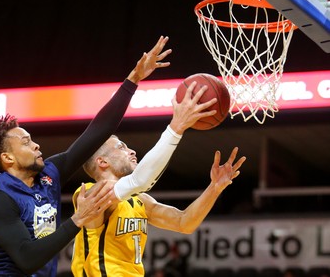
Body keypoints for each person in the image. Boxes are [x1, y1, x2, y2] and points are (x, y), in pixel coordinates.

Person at [0, 36, 172, 277]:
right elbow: (26, 257)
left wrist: (133, 79)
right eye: (25, 142)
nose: (36, 145)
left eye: (32, 139)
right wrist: (77, 219)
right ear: (8, 158)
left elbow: (98, 132)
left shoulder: (48, 175)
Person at [70, 81, 247, 276]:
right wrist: (176, 127)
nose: (131, 151)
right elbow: (140, 181)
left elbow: (184, 223)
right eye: (121, 147)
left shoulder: (140, 201)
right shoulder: (88, 195)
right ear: (102, 162)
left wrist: (214, 188)